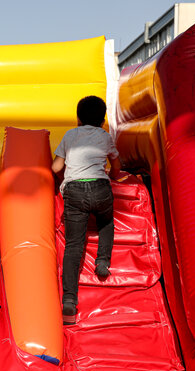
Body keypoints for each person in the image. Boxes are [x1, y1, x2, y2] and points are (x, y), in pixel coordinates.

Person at [51, 95, 121, 325]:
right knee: (106, 222)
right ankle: (102, 262)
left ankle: (69, 302)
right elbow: (116, 167)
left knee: (73, 246)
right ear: (102, 120)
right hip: (101, 188)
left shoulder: (71, 135)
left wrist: (65, 180)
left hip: (75, 192)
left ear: (78, 119)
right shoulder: (105, 136)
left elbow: (57, 167)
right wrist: (112, 177)